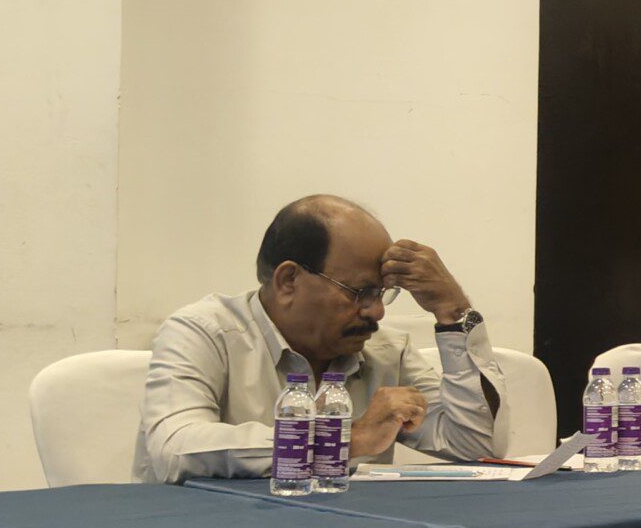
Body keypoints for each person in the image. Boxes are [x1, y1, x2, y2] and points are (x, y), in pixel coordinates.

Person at [136, 194, 501, 482]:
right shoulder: (203, 332)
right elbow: (174, 448)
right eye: (360, 292)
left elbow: (476, 446)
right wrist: (348, 439)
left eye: (381, 294)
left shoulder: (388, 352)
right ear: (288, 281)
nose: (376, 312)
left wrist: (454, 311)